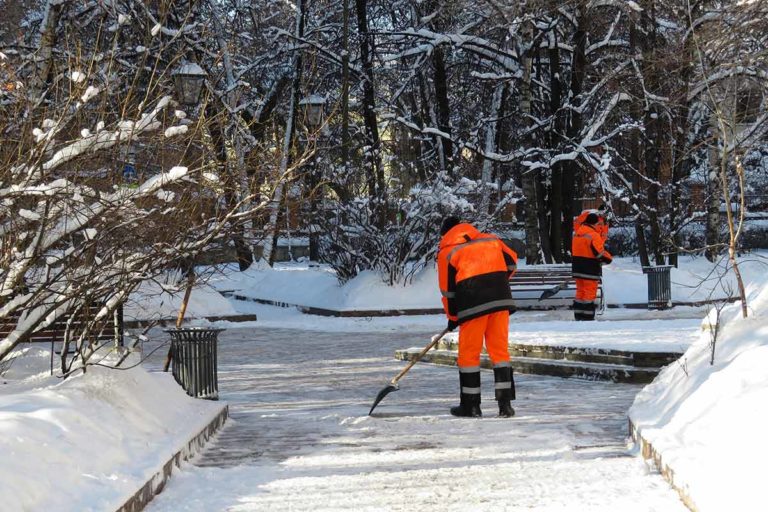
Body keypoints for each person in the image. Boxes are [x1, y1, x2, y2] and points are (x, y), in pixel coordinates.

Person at [437, 216, 518, 418]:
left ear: (445, 233)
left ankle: (471, 406)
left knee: (469, 354)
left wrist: (453, 316)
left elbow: (448, 291)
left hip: (472, 305)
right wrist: (495, 282)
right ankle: (505, 405)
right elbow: (512, 262)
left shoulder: (448, 252)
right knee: (499, 352)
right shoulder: (490, 240)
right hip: (500, 302)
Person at [571, 213, 612, 321]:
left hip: (577, 268)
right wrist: (609, 258)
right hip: (589, 269)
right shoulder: (593, 235)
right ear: (595, 223)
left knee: (580, 292)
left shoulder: (578, 233)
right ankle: (588, 316)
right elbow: (599, 253)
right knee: (589, 292)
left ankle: (578, 315)